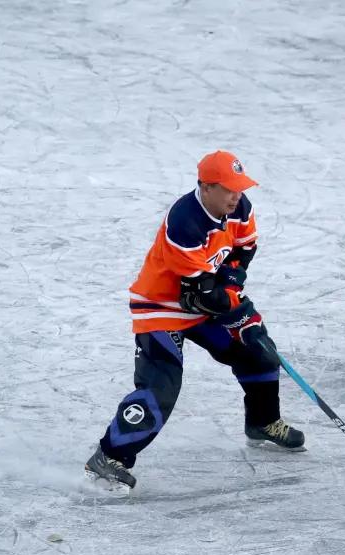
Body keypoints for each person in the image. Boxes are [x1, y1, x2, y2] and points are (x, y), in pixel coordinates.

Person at [85, 150, 305, 491]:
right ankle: (109, 456)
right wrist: (240, 313)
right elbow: (203, 294)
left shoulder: (240, 208)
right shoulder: (185, 222)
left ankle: (262, 422)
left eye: (239, 187)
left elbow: (243, 251)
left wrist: (235, 296)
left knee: (259, 351)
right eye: (228, 188)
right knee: (161, 387)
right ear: (206, 187)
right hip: (162, 307)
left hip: (203, 302)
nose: (236, 195)